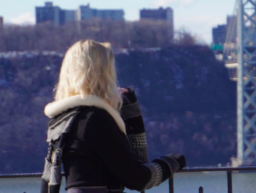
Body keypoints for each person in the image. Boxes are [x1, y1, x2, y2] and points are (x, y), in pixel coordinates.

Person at [41, 40, 186, 193]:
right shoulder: (95, 119)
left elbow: (50, 177)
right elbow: (138, 177)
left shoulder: (61, 120)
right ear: (104, 74)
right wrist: (173, 162)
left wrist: (128, 106)